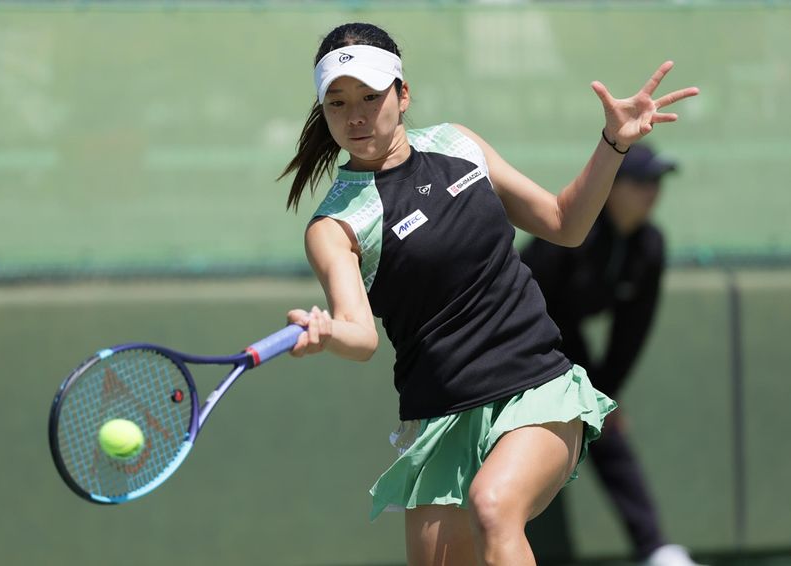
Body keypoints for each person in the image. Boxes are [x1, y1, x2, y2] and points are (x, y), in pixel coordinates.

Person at [278, 22, 699, 566]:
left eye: (370, 96)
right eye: (337, 102)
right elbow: (359, 335)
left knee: (494, 507)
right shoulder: (334, 224)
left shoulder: (459, 144)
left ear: (403, 95)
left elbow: (564, 222)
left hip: (535, 386)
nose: (354, 115)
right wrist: (328, 332)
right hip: (439, 418)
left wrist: (613, 143)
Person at [521, 144, 705, 566]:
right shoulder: (575, 229)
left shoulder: (649, 246)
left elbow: (631, 331)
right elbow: (525, 292)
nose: (652, 192)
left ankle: (655, 548)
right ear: (613, 187)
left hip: (566, 336)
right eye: (641, 182)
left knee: (605, 424)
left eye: (657, 182)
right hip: (515, 332)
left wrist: (606, 393)